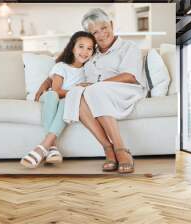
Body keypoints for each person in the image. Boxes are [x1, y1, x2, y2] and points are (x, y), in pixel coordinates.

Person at [34, 8, 147, 173]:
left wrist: (95, 86)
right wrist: (45, 84)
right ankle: (107, 148)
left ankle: (121, 149)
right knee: (76, 93)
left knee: (91, 91)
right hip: (94, 94)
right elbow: (63, 64)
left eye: (104, 28)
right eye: (95, 32)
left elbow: (130, 76)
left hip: (125, 90)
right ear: (90, 35)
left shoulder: (128, 47)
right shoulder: (90, 53)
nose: (101, 34)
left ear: (112, 25)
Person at [20, 31, 97, 168]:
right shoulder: (62, 66)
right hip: (50, 98)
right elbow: (56, 90)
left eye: (89, 48)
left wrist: (79, 90)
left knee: (68, 101)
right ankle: (51, 146)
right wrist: (75, 89)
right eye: (81, 46)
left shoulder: (88, 71)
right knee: (53, 96)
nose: (85, 51)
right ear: (72, 47)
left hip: (65, 101)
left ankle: (48, 148)